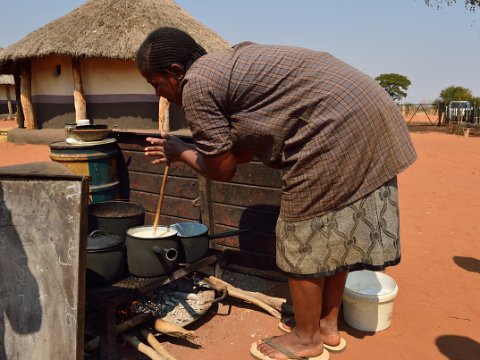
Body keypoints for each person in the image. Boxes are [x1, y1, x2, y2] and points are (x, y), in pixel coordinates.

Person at [136, 27, 416, 360]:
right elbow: (239, 147)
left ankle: (307, 337)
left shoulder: (196, 85)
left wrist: (181, 151)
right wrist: (189, 151)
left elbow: (223, 169)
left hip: (335, 127)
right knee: (338, 228)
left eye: (156, 85)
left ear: (176, 72)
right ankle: (326, 325)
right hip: (367, 109)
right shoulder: (223, 67)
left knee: (299, 231)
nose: (160, 96)